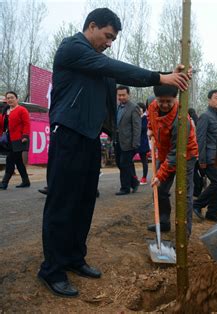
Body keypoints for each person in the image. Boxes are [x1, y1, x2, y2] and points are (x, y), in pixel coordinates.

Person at [37, 8, 191, 298]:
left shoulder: (98, 62)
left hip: (90, 138)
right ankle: (52, 269)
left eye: (112, 39)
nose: (109, 43)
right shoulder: (73, 48)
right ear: (92, 26)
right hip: (68, 134)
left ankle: (74, 257)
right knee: (62, 202)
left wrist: (169, 78)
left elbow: (119, 85)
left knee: (84, 202)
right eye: (107, 36)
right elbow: (118, 70)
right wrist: (161, 75)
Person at [147, 85, 198, 235]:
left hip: (185, 156)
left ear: (175, 99)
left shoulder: (181, 120)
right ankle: (164, 222)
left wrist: (160, 175)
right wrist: (150, 128)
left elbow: (176, 154)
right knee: (160, 189)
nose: (164, 105)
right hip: (164, 153)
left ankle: (184, 236)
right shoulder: (152, 105)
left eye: (168, 101)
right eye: (160, 101)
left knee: (184, 196)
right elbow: (152, 119)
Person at [193, 89, 217, 222]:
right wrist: (202, 159)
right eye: (216, 98)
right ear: (209, 100)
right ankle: (197, 204)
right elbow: (200, 139)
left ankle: (213, 213)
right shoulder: (205, 116)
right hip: (209, 156)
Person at [0, 91, 31, 190]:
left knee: (10, 159)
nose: (9, 99)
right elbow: (2, 126)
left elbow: (27, 124)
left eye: (12, 97)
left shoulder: (22, 110)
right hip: (8, 140)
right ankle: (26, 181)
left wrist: (25, 136)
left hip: (19, 139)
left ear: (16, 99)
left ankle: (4, 183)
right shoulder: (5, 111)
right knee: (18, 161)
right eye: (8, 98)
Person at [114, 85, 141, 195]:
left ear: (128, 94)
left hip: (129, 142)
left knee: (124, 164)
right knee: (121, 164)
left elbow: (137, 127)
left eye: (123, 95)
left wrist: (135, 143)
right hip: (117, 141)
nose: (121, 97)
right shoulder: (116, 107)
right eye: (119, 95)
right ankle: (134, 182)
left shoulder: (133, 107)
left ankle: (125, 188)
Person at [188, 107, 206, 197]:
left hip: (192, 148)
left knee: (193, 171)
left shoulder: (190, 121)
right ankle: (202, 179)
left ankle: (197, 188)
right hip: (198, 147)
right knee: (197, 168)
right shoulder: (198, 121)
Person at [137, 102, 150, 185]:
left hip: (143, 142)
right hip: (135, 142)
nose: (138, 110)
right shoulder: (136, 118)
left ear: (143, 109)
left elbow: (142, 128)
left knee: (144, 161)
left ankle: (144, 177)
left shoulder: (145, 118)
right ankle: (134, 178)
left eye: (139, 108)